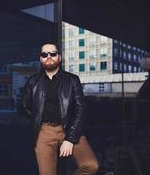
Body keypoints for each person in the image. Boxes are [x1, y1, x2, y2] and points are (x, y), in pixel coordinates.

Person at [22, 42, 99, 175]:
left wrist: (70, 139)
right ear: (40, 58)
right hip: (44, 131)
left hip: (70, 127)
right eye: (44, 54)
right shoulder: (32, 81)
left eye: (53, 53)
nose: (49, 56)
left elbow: (80, 110)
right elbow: (25, 106)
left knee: (91, 166)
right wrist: (39, 120)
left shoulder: (72, 80)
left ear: (59, 57)